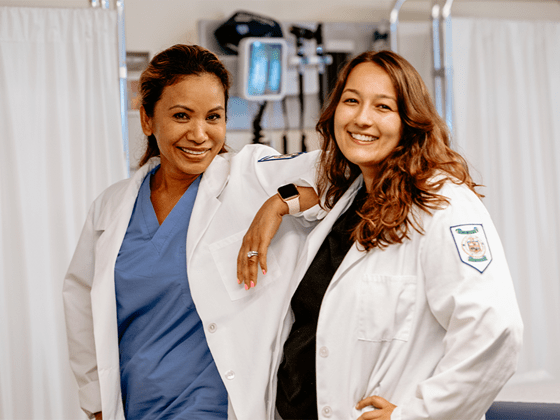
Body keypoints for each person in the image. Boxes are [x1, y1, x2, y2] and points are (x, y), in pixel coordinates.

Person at [238, 50, 523, 420]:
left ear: (409, 121)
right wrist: (278, 202)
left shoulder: (443, 205)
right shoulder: (348, 198)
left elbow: (495, 330)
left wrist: (418, 415)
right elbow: (315, 182)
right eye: (351, 101)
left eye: (383, 107)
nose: (362, 118)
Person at [63, 44, 321, 420]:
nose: (199, 134)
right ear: (148, 120)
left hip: (217, 409)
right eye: (181, 116)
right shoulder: (112, 206)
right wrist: (97, 405)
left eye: (213, 117)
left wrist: (277, 204)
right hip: (135, 408)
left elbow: (341, 175)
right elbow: (82, 306)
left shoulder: (249, 176)